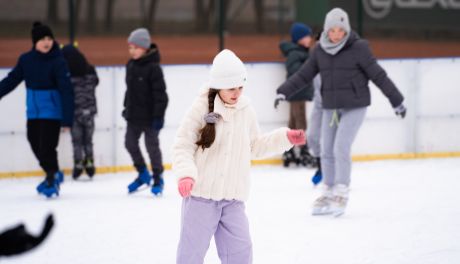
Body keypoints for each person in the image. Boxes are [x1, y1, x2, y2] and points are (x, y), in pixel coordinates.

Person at [172, 49, 306, 264]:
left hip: (232, 200)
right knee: (191, 253)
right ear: (218, 85)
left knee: (240, 253)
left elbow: (255, 146)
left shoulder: (245, 110)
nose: (237, 93)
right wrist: (186, 175)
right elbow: (183, 145)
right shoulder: (200, 108)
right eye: (231, 88)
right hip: (201, 198)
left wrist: (285, 137)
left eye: (240, 87)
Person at [275, 8, 407, 216]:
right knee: (326, 149)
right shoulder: (320, 51)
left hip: (355, 105)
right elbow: (303, 75)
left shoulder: (359, 48)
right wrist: (283, 92)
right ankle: (328, 189)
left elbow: (378, 76)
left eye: (340, 30)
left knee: (340, 147)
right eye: (332, 30)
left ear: (346, 30)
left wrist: (396, 100)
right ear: (326, 31)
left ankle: (342, 190)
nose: (336, 34)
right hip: (331, 107)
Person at [0, 22, 74, 198]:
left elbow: (66, 90)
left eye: (49, 38)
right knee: (34, 142)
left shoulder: (58, 61)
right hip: (33, 110)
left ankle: (51, 179)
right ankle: (53, 172)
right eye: (42, 39)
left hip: (52, 111)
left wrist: (67, 119)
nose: (47, 42)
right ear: (35, 42)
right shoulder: (26, 60)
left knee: (47, 146)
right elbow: (12, 79)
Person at [123, 28, 168, 195]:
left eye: (135, 47)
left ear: (145, 48)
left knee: (152, 148)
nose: (132, 51)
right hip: (133, 116)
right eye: (130, 48)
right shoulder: (130, 65)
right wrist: (126, 108)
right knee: (129, 143)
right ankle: (142, 173)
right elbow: (130, 91)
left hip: (150, 118)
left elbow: (161, 95)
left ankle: (157, 176)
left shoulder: (154, 68)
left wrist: (158, 117)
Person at [278, 22, 316, 168]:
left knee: (294, 123)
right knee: (300, 122)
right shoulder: (295, 53)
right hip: (297, 92)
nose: (309, 39)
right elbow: (294, 70)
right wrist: (308, 63)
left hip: (299, 92)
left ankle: (289, 150)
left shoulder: (301, 51)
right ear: (299, 38)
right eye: (307, 37)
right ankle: (303, 150)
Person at [62, 44, 99, 180]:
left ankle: (78, 164)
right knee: (88, 141)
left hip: (75, 114)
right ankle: (89, 162)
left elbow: (65, 94)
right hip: (89, 112)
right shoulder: (91, 72)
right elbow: (96, 82)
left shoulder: (68, 77)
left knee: (77, 141)